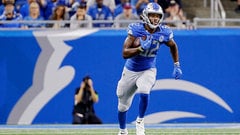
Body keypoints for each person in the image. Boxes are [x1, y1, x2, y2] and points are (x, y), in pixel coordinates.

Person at [116, 2, 182, 135]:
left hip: (148, 68)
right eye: (152, 15)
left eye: (157, 16)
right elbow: (124, 53)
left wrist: (176, 64)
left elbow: (173, 46)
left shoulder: (164, 31)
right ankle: (123, 130)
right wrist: (140, 48)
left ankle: (140, 121)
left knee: (144, 90)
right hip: (130, 70)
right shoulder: (136, 29)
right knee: (122, 105)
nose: (155, 18)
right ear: (146, 16)